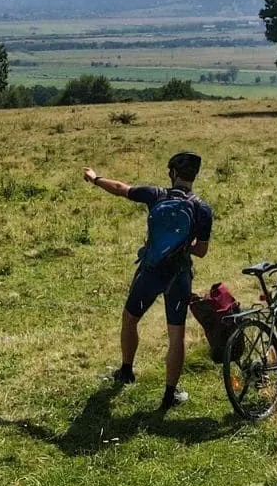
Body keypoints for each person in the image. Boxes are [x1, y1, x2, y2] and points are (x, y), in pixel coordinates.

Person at [82, 151, 214, 412]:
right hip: (179, 275)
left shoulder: (157, 195)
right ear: (194, 176)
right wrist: (183, 245)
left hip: (151, 272)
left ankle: (126, 371)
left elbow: (121, 189)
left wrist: (96, 178)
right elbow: (202, 251)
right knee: (176, 334)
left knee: (130, 319)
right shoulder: (202, 209)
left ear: (173, 173)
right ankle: (169, 395)